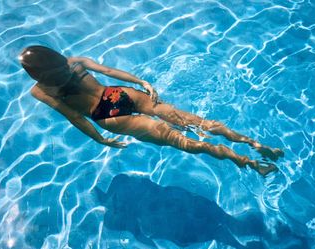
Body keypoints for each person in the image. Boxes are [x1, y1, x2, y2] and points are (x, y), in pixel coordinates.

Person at [19, 45, 283, 175]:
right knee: (196, 121)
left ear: (34, 73)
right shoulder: (73, 61)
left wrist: (100, 139)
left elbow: (74, 116)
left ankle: (249, 163)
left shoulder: (40, 91)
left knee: (183, 141)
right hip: (118, 93)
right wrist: (139, 82)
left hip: (107, 116)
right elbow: (108, 71)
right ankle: (253, 143)